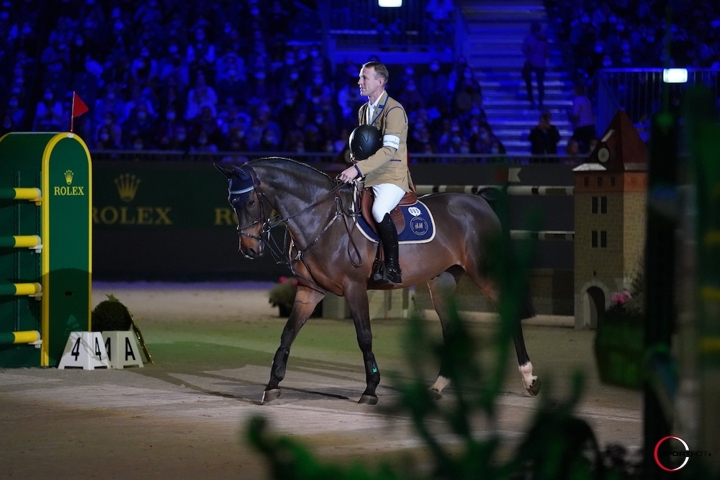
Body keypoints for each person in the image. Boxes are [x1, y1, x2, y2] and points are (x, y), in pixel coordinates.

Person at [338, 61, 413, 286]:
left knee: (379, 210)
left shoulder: (394, 110)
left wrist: (358, 168)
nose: (359, 82)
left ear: (380, 82)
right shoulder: (364, 110)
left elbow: (389, 151)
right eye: (360, 78)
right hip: (369, 175)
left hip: (391, 175)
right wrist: (356, 160)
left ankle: (392, 266)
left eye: (364, 78)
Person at [521, 22, 549, 109]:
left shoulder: (529, 38)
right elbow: (547, 52)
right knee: (540, 82)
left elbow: (523, 49)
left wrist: (530, 54)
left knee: (527, 78)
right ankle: (540, 100)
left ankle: (530, 96)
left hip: (531, 61)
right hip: (541, 62)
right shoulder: (544, 38)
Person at [568, 84, 596, 153]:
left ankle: (571, 160)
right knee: (587, 146)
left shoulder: (577, 100)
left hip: (582, 126)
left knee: (572, 143)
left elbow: (575, 114)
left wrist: (569, 115)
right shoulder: (587, 100)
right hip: (591, 126)